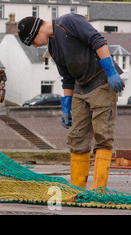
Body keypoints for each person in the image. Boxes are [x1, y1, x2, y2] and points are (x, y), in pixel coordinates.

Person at [17, 14, 125, 190]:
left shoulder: (69, 22)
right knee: (76, 138)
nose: (36, 46)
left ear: (36, 32)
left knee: (102, 136)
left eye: (33, 42)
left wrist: (111, 71)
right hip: (80, 88)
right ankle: (78, 188)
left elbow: (98, 42)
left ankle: (98, 190)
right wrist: (66, 107)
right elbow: (67, 78)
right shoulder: (53, 48)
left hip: (102, 82)